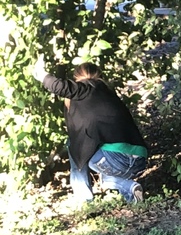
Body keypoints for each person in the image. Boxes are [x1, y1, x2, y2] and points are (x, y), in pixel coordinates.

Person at [33, 58, 148, 204]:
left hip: (118, 160)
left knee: (75, 146)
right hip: (140, 161)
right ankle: (129, 191)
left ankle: (85, 198)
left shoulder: (86, 88)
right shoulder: (108, 93)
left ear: (77, 80)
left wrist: (41, 74)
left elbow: (60, 87)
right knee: (100, 165)